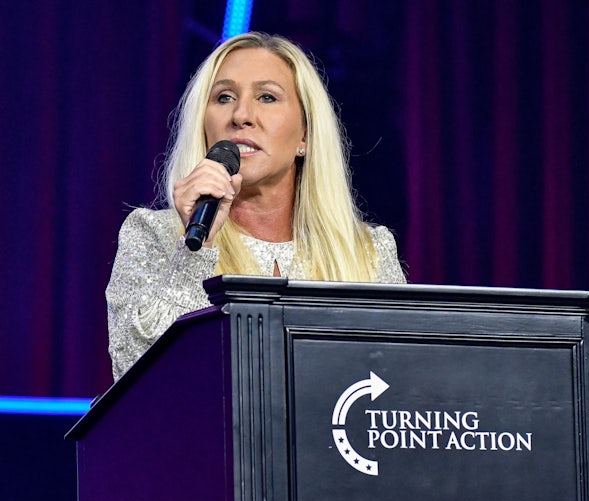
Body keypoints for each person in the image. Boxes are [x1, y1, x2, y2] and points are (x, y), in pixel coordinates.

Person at [106, 32, 406, 381]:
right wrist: (195, 250)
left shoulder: (369, 252)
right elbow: (138, 376)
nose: (241, 115)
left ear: (305, 137)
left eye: (267, 97)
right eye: (224, 97)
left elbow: (397, 389)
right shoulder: (153, 235)